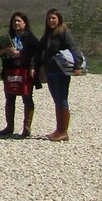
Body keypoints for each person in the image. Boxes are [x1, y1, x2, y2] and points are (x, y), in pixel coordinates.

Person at [38, 8, 83, 142]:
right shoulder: (48, 34)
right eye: (49, 18)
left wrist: (77, 65)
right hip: (50, 70)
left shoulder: (63, 32)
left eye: (53, 18)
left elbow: (73, 47)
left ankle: (63, 131)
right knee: (57, 100)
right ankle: (58, 130)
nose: (51, 21)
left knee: (62, 99)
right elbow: (42, 50)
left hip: (61, 71)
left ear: (59, 19)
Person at [0, 12, 40, 137]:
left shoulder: (30, 38)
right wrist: (7, 50)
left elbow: (36, 54)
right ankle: (9, 126)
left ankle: (26, 127)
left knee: (27, 98)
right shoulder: (8, 37)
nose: (16, 23)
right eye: (14, 21)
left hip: (24, 70)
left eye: (19, 21)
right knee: (9, 98)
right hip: (10, 70)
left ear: (25, 23)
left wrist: (30, 64)